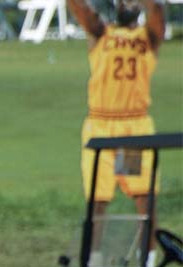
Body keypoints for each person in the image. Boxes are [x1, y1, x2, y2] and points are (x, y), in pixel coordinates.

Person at [69, 0, 165, 250]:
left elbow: (157, 11)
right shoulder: (102, 33)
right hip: (101, 124)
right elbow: (83, 14)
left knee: (144, 199)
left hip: (132, 127)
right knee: (97, 201)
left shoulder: (149, 37)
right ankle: (93, 265)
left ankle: (150, 265)